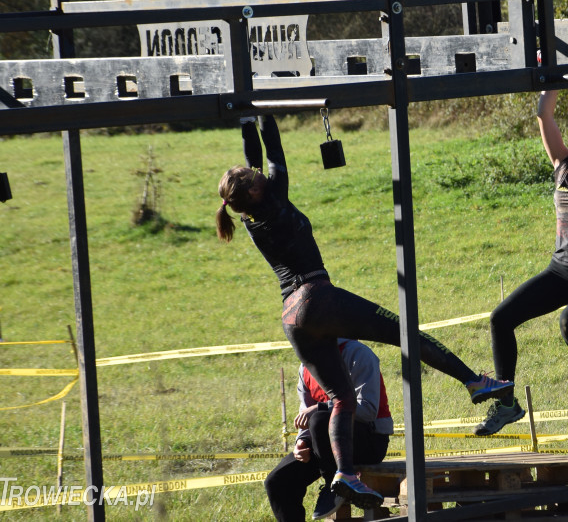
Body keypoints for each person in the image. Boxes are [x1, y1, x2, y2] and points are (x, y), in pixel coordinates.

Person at [216, 115, 513, 510]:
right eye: (256, 179)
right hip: (315, 297)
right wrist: (265, 116)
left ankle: (344, 473)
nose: (262, 178)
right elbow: (273, 158)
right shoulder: (274, 200)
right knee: (407, 332)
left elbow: (254, 165)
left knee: (341, 398)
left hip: (291, 316)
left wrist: (246, 120)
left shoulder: (248, 216)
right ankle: (474, 382)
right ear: (255, 191)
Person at [475, 75, 568, 437]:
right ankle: (507, 402)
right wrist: (552, 72)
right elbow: (544, 112)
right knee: (500, 319)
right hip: (560, 272)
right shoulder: (561, 166)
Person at [264, 339, 392, 521]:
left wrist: (321, 408)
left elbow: (368, 409)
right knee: (278, 482)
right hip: (323, 444)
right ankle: (333, 479)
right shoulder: (305, 366)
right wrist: (302, 442)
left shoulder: (358, 354)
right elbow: (305, 416)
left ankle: (335, 485)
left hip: (369, 441)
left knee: (319, 418)